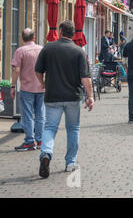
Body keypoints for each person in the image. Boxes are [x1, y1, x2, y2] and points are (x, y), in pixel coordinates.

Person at [35, 21, 94, 178]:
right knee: (73, 129)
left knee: (50, 127)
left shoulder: (48, 47)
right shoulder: (79, 52)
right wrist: (90, 96)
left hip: (52, 95)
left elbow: (38, 70)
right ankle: (70, 163)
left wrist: (43, 83)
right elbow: (85, 78)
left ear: (60, 31)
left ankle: (46, 153)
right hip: (72, 97)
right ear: (73, 34)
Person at [11, 29, 45, 152]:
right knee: (40, 115)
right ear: (34, 37)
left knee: (28, 115)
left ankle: (30, 141)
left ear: (22, 38)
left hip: (27, 88)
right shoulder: (41, 49)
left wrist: (13, 86)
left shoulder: (20, 51)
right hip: (41, 87)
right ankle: (40, 140)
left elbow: (16, 70)